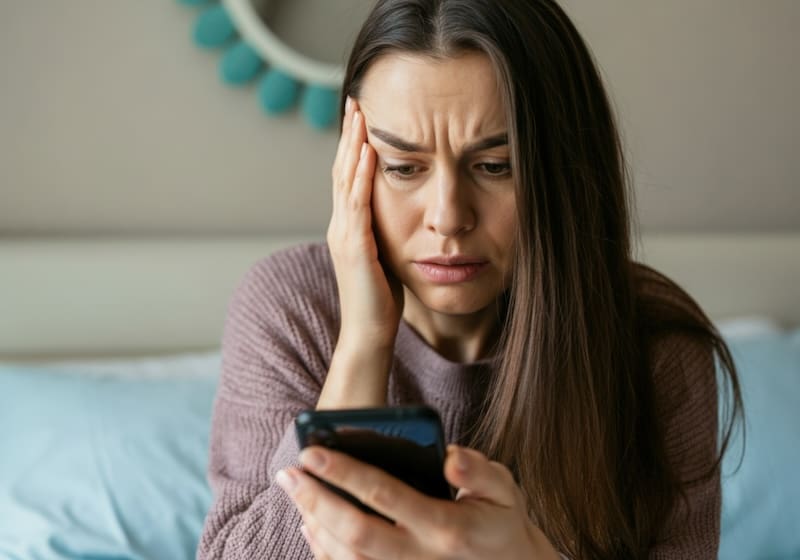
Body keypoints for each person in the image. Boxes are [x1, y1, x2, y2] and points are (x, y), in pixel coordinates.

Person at [197, 0, 743, 558]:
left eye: (495, 166)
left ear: (566, 174)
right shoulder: (292, 307)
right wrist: (363, 341)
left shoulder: (655, 346)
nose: (448, 216)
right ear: (353, 168)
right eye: (404, 168)